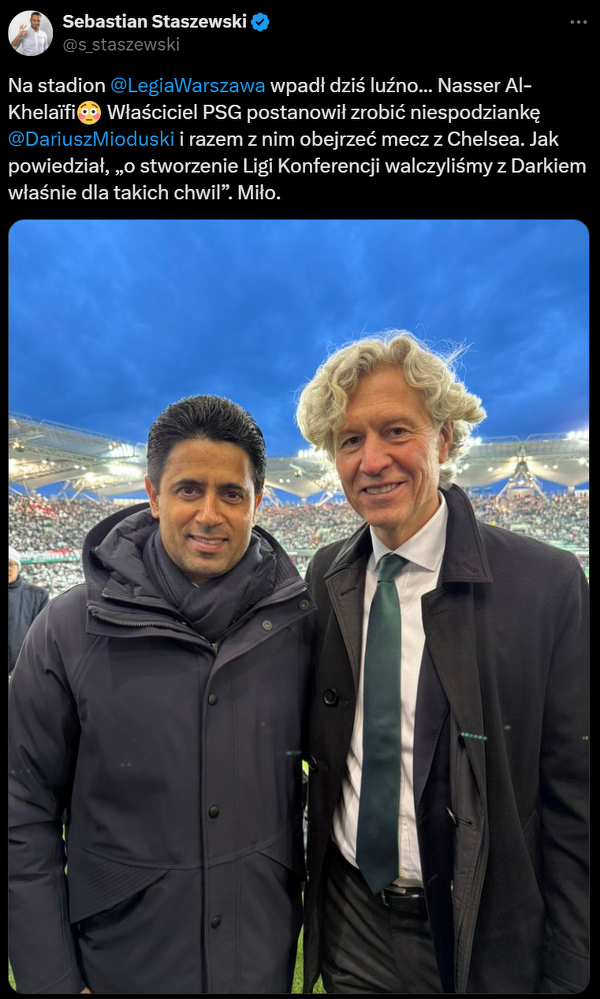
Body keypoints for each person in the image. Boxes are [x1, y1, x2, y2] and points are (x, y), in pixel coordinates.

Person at [295, 332, 589, 994]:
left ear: (445, 439)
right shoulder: (327, 574)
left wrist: (571, 965)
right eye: (349, 440)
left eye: (396, 430)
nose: (372, 460)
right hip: (353, 920)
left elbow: (577, 799)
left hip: (480, 927)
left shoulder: (547, 585)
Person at [9, 395, 315, 995]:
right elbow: (21, 811)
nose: (209, 514)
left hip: (259, 963)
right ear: (152, 496)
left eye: (231, 494)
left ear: (257, 501)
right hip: (122, 966)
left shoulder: (298, 624)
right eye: (188, 490)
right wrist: (51, 981)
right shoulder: (68, 629)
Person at [9, 545, 49, 677]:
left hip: (23, 673)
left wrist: (17, 673)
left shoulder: (38, 595)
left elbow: (41, 638)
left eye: (10, 564)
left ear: (18, 567)